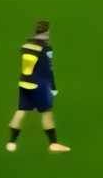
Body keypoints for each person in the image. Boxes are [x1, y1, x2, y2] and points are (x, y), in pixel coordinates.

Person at [7, 21, 70, 154]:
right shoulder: (46, 48)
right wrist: (52, 87)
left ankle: (11, 142)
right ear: (47, 31)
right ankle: (53, 143)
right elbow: (48, 69)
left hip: (25, 83)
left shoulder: (26, 45)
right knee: (47, 114)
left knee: (21, 111)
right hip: (40, 85)